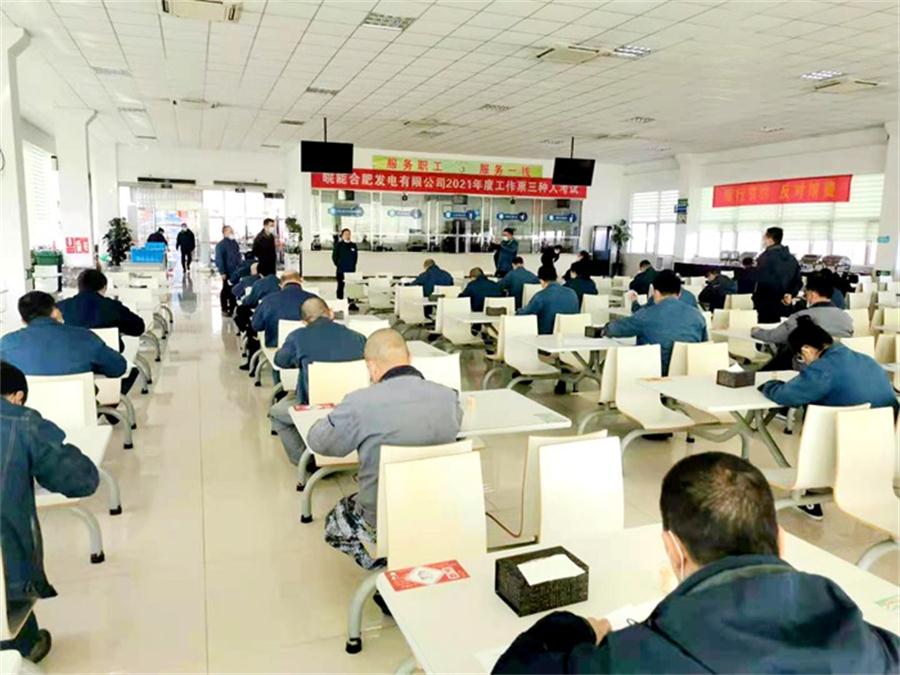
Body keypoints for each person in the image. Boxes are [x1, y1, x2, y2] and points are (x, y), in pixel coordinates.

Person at [493, 452, 900, 674]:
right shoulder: (868, 642)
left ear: (674, 551)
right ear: (780, 540)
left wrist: (578, 628)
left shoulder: (643, 655)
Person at [308, 329, 462, 570]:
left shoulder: (359, 402)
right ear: (409, 358)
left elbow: (321, 443)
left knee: (334, 523)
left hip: (383, 517)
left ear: (371, 367)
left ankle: (384, 567)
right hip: (438, 505)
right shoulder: (448, 397)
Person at [0, 362, 100, 663]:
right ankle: (20, 647)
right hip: (6, 583)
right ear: (17, 397)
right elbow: (83, 480)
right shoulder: (21, 423)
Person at [268, 298, 367, 464]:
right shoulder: (358, 337)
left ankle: (307, 462)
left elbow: (280, 361)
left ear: (304, 321)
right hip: (353, 406)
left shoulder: (297, 337)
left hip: (314, 406)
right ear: (330, 313)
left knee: (276, 413)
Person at [1, 291, 127, 380]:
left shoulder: (7, 343)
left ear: (23, 321)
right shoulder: (84, 337)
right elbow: (118, 368)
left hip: (27, 407)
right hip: (79, 406)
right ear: (55, 312)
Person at [605, 270, 707, 375]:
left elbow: (615, 329)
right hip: (688, 375)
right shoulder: (698, 316)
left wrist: (604, 329)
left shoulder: (646, 315)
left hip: (653, 374)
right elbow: (704, 345)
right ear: (679, 293)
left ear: (656, 293)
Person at [752, 271, 853, 371]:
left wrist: (756, 331)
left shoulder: (802, 317)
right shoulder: (846, 317)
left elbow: (775, 336)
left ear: (812, 295)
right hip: (840, 365)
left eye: (806, 293)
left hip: (806, 367)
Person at [57, 269, 145, 342]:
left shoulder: (60, 307)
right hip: (107, 356)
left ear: (79, 287)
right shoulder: (113, 306)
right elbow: (139, 328)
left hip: (69, 355)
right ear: (104, 287)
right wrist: (119, 330)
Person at [250, 272, 316, 349]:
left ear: (280, 285)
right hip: (308, 349)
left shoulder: (268, 300)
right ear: (301, 281)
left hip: (275, 348)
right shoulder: (314, 300)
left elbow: (256, 326)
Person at [753, 227, 802, 323]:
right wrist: (790, 294)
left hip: (766, 305)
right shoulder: (792, 259)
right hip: (785, 304)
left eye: (764, 237)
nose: (763, 240)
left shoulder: (765, 257)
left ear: (770, 239)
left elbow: (761, 281)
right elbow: (798, 281)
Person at [516, 266, 579, 335]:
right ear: (556, 277)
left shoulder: (540, 296)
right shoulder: (572, 293)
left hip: (546, 337)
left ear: (541, 281)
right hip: (571, 336)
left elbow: (525, 314)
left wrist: (517, 311)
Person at [215, 225, 242, 316]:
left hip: (236, 271)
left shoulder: (234, 243)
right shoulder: (221, 245)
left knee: (234, 289)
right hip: (227, 272)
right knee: (226, 289)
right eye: (230, 231)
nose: (232, 233)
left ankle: (233, 307)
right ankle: (224, 308)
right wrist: (222, 272)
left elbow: (237, 256)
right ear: (224, 233)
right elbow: (219, 259)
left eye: (232, 231)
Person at [332, 228, 358, 300]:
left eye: (349, 234)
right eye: (346, 234)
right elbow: (334, 257)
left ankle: (351, 302)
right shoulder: (338, 245)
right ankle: (339, 301)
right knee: (340, 286)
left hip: (351, 270)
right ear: (342, 235)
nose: (347, 236)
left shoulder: (353, 245)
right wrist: (339, 264)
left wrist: (353, 265)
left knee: (351, 287)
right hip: (341, 270)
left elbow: (355, 257)